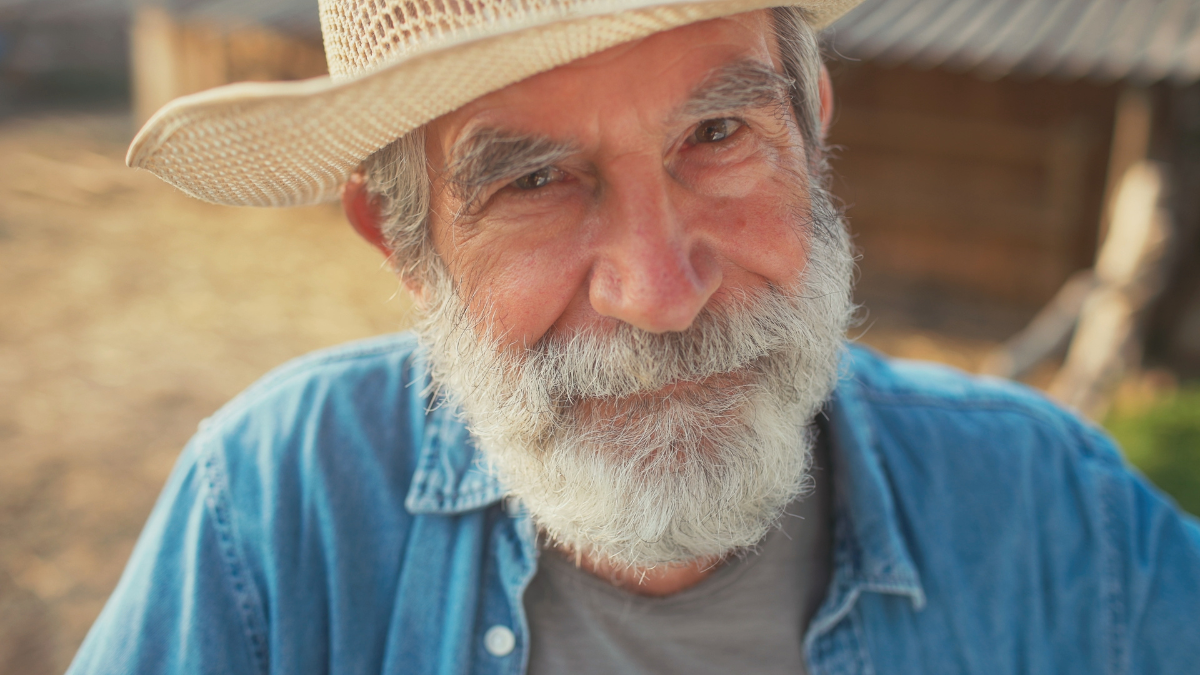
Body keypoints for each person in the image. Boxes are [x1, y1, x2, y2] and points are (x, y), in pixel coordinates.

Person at [70, 0, 1200, 672]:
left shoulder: (1053, 513)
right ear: (404, 246)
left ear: (812, 135)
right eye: (534, 182)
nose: (661, 291)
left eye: (717, 133)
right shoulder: (275, 514)